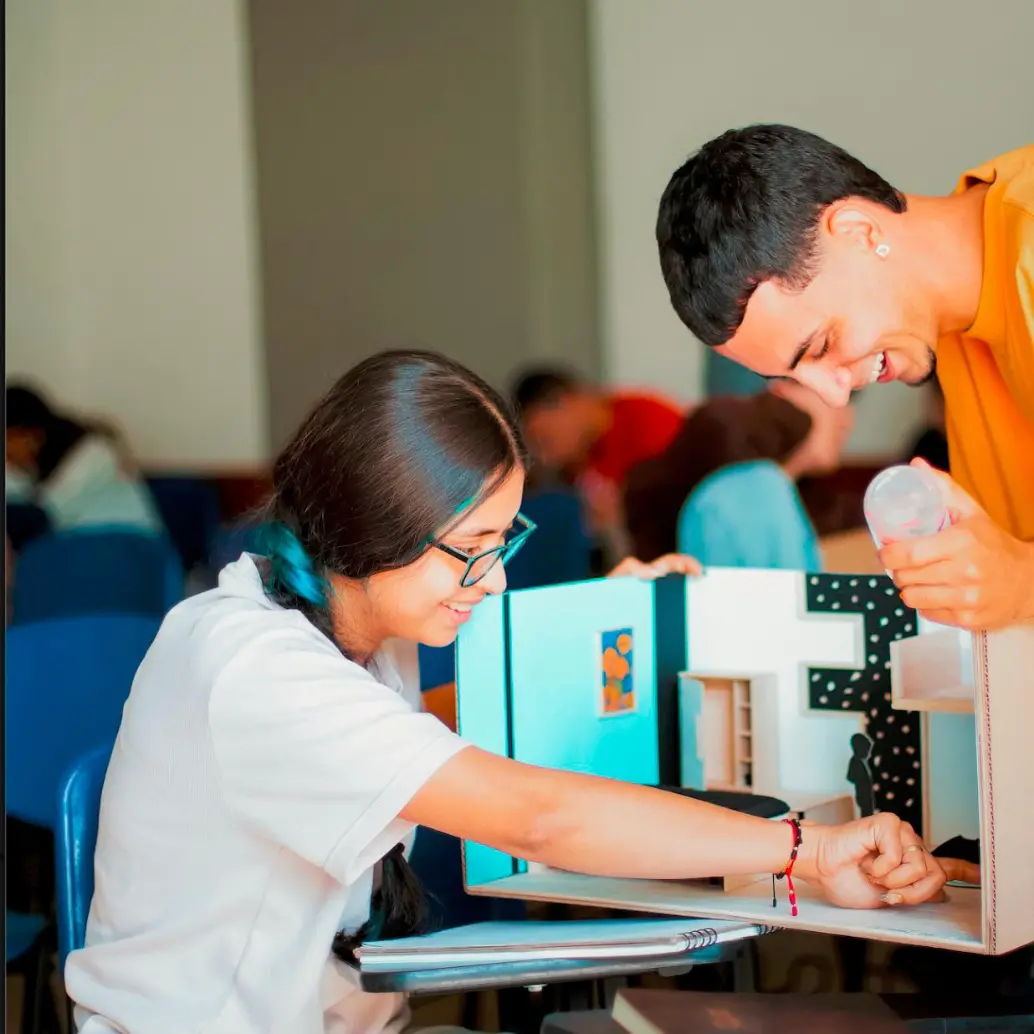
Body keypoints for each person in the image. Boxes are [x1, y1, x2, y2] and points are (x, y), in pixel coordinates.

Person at [67, 350, 947, 1034]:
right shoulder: (257, 669)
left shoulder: (348, 618)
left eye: (504, 539)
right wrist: (804, 851)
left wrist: (614, 610)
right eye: (471, 547)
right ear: (375, 526)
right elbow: (539, 816)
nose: (490, 579)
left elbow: (481, 685)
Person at [655, 126, 1034, 631]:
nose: (836, 393)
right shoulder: (949, 329)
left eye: (820, 346)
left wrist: (1022, 583)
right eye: (797, 376)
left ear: (860, 233)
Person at [624, 381, 853, 562]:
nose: (848, 419)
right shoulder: (745, 483)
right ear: (782, 391)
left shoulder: (790, 495)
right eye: (834, 395)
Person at [512, 366, 685, 553]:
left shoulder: (648, 422)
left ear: (568, 403)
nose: (546, 459)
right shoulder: (579, 464)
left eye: (546, 441)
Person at [5, 383, 164, 536]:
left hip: (131, 547)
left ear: (31, 436)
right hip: (82, 548)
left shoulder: (94, 456)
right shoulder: (32, 466)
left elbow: (48, 515)